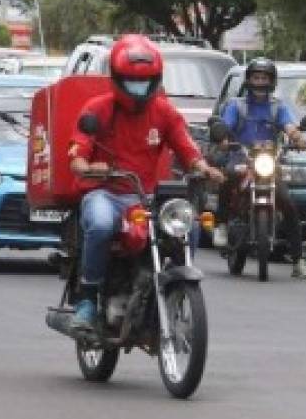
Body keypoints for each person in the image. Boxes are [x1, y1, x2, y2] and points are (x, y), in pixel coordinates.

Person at [68, 35, 224, 331]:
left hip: (146, 197)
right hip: (106, 193)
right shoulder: (97, 109)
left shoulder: (164, 112)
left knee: (187, 225)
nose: (138, 90)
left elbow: (186, 147)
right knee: (100, 224)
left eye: (145, 82)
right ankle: (87, 299)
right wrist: (90, 168)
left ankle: (173, 280)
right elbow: (77, 157)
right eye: (131, 82)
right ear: (116, 79)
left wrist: (204, 168)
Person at [216, 59, 306, 280]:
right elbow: (225, 126)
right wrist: (222, 138)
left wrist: (298, 139)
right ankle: (221, 225)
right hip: (241, 157)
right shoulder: (236, 105)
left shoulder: (277, 107)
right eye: (256, 77)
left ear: (271, 81)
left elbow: (289, 126)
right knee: (227, 177)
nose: (260, 82)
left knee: (287, 203)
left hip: (268, 162)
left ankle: (298, 261)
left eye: (264, 78)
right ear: (249, 80)